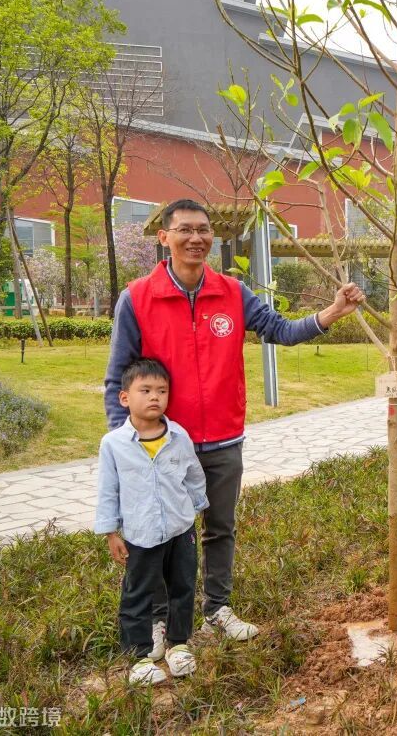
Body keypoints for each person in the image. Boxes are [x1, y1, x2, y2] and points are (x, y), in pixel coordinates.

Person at [104, 198, 365, 654]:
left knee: (220, 528)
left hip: (224, 438)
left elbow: (280, 330)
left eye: (203, 230)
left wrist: (330, 314)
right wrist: (125, 442)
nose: (196, 238)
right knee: (163, 535)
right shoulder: (138, 298)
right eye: (185, 230)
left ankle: (217, 608)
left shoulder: (232, 292)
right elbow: (117, 376)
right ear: (164, 237)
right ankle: (161, 620)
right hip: (162, 445)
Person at [95, 358, 208, 685]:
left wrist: (197, 507)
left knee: (182, 587)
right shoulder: (113, 444)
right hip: (140, 534)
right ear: (125, 397)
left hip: (180, 529)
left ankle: (178, 645)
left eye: (162, 390)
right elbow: (108, 490)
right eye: (145, 390)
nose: (155, 397)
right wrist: (110, 532)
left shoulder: (178, 436)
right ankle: (140, 657)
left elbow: (193, 474)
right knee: (138, 593)